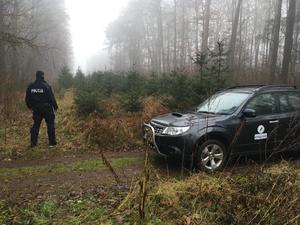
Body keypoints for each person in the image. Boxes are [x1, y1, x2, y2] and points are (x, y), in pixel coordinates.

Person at [25, 71, 58, 147]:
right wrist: (55, 107)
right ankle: (52, 142)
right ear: (43, 76)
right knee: (50, 124)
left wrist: (30, 107)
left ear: (36, 76)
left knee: (36, 125)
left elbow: (27, 98)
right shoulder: (46, 86)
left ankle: (33, 143)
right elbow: (51, 98)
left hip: (36, 109)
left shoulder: (31, 86)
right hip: (47, 108)